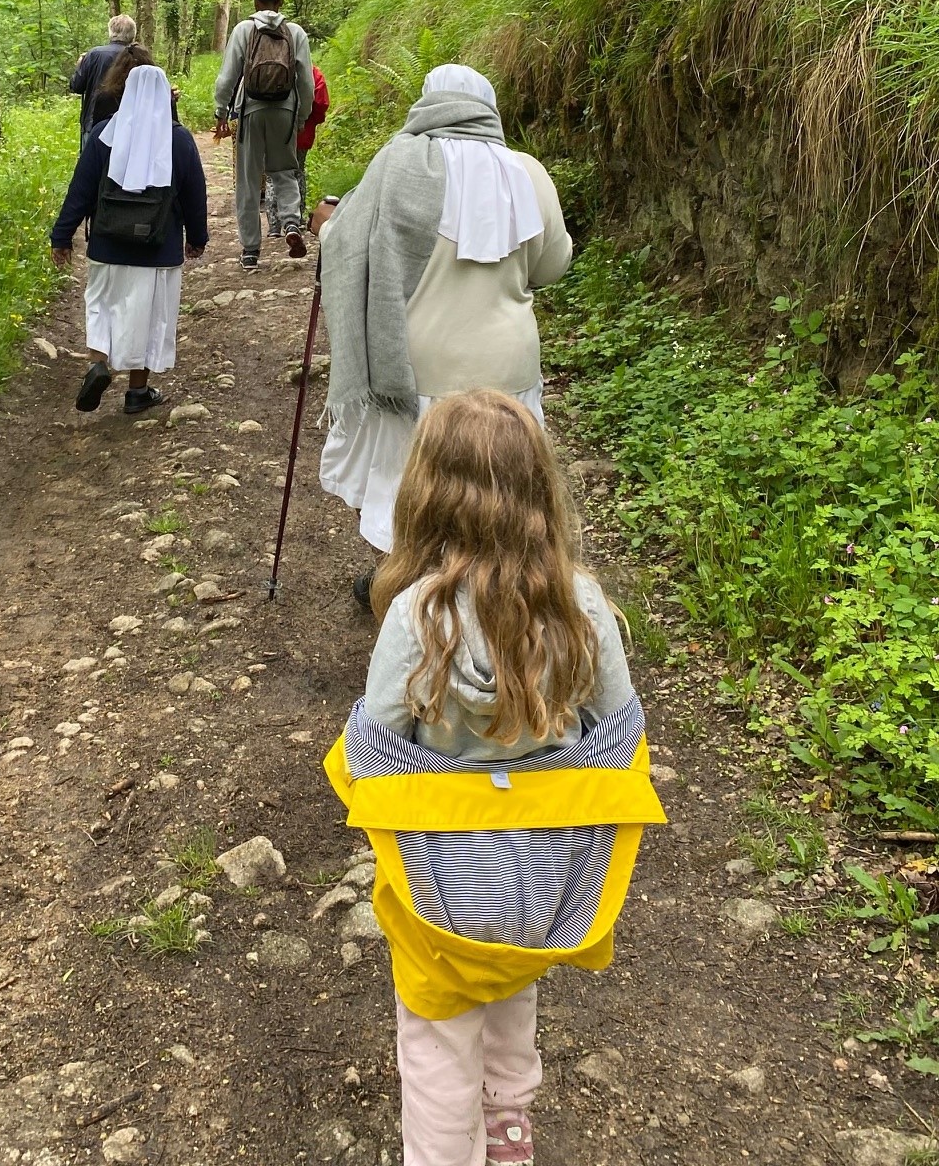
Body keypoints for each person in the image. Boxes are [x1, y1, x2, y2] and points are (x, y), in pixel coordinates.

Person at [324, 391, 663, 1166]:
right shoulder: (581, 604)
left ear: (426, 494)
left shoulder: (417, 615)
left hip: (443, 876)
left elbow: (371, 748)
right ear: (539, 489)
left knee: (440, 1028)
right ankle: (509, 1129)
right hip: (547, 866)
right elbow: (623, 735)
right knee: (513, 981)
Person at [314, 64, 571, 605]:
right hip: (509, 370)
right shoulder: (527, 172)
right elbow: (551, 267)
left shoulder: (399, 163)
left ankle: (407, 589)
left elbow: (346, 241)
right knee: (505, 487)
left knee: (409, 487)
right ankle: (495, 592)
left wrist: (324, 224)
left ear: (428, 105)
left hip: (413, 368)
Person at [50, 63, 208, 415]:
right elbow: (196, 195)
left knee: (103, 306)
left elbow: (80, 191)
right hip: (159, 249)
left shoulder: (105, 134)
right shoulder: (178, 139)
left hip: (107, 245)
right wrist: (197, 238)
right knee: (149, 317)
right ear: (166, 94)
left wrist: (61, 236)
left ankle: (98, 363)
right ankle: (138, 391)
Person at [213, 0, 313, 269]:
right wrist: (302, 116)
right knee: (284, 172)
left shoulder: (244, 30)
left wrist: (221, 112)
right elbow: (306, 81)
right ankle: (292, 224)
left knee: (248, 179)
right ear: (280, 2)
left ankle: (250, 250)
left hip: (251, 111)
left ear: (255, 1)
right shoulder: (295, 33)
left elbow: (227, 77)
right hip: (285, 110)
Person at [265, 61, 329, 237]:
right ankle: (296, 220)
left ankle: (274, 225)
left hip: (275, 129)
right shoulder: (313, 72)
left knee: (272, 174)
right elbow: (321, 103)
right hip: (302, 133)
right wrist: (310, 120)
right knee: (297, 172)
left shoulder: (272, 69)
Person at [70, 14, 137, 141]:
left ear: (111, 32)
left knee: (93, 159)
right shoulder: (137, 55)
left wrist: (80, 65)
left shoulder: (94, 54)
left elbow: (77, 86)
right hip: (128, 122)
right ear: (133, 34)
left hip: (94, 121)